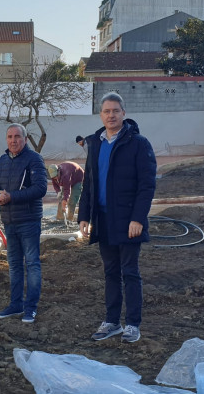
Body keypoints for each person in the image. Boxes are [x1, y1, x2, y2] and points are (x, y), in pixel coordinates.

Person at [78, 92, 156, 343]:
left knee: (129, 272)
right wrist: (84, 216)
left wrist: (138, 218)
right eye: (106, 111)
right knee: (110, 272)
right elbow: (88, 183)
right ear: (101, 115)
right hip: (102, 218)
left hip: (127, 220)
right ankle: (112, 321)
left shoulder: (138, 143)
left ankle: (132, 324)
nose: (110, 115)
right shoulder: (96, 143)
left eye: (115, 111)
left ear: (124, 113)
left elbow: (147, 185)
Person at [0, 123, 47, 324]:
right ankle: (15, 304)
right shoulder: (3, 160)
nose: (13, 140)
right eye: (10, 137)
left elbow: (40, 189)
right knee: (14, 265)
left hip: (29, 221)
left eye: (17, 137)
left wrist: (11, 197)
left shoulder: (34, 159)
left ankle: (30, 308)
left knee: (32, 264)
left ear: (25, 138)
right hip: (9, 221)